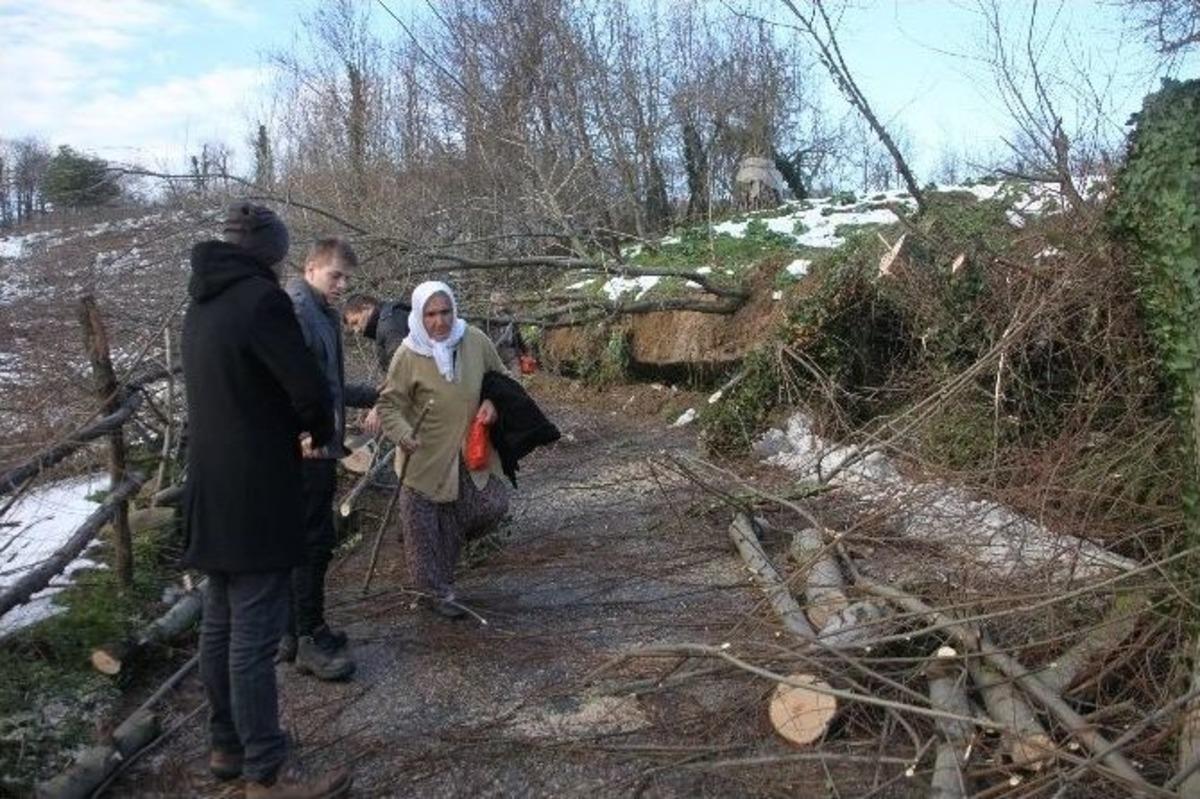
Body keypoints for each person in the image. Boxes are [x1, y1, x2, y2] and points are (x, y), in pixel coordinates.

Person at [181, 203, 351, 798]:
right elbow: (306, 389)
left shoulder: (200, 302)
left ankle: (227, 745)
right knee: (252, 638)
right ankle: (268, 773)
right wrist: (317, 431)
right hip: (255, 491)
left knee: (220, 625)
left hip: (210, 488)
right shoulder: (262, 300)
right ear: (273, 250)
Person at [376, 281, 511, 618]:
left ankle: (440, 579)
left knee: (490, 505)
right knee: (421, 530)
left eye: (446, 311)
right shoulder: (407, 355)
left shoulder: (475, 340)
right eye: (431, 314)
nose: (440, 321)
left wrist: (494, 401)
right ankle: (432, 593)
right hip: (422, 459)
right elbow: (389, 406)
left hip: (469, 453)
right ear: (420, 316)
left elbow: (504, 378)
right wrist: (403, 434)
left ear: (455, 309)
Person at [279, 238, 379, 680]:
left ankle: (299, 630)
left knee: (311, 539)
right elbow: (287, 382)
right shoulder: (297, 311)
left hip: (321, 443)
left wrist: (375, 393)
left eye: (346, 279)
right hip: (305, 449)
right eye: (335, 275)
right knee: (311, 542)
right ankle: (305, 638)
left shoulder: (320, 312)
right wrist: (302, 433)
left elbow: (329, 386)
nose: (341, 285)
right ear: (310, 268)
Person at [343, 293, 411, 374]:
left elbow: (403, 366)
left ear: (365, 306)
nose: (356, 330)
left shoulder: (388, 324)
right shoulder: (389, 318)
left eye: (355, 322)